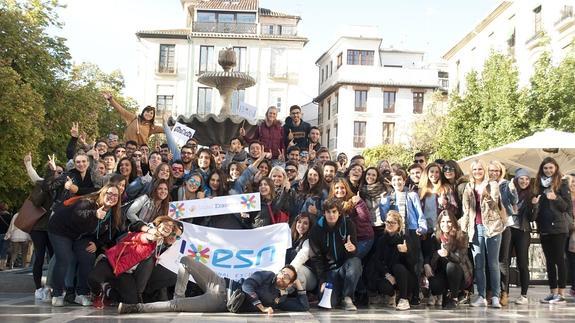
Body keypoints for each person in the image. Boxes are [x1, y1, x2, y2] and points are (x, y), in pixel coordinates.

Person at [118, 259, 308, 314]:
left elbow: (303, 306)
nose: (282, 275)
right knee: (185, 261)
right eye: (283, 272)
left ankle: (135, 308)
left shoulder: (279, 299)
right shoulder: (267, 275)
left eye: (287, 277)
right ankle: (179, 296)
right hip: (221, 283)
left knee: (174, 306)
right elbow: (248, 286)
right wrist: (262, 307)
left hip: (219, 301)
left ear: (289, 283)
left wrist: (299, 286)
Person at [47, 184, 122, 307]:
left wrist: (97, 244)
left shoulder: (114, 214)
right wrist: (95, 214)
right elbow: (76, 215)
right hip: (60, 230)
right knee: (64, 258)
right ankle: (57, 293)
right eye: (109, 193)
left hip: (80, 236)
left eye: (115, 195)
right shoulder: (88, 202)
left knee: (88, 256)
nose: (112, 197)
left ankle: (81, 293)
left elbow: (110, 233)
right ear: (102, 193)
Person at [88, 216, 182, 309]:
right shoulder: (147, 230)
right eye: (166, 224)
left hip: (126, 273)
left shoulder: (162, 246)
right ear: (159, 223)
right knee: (93, 278)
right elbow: (137, 228)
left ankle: (108, 290)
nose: (168, 228)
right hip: (113, 263)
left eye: (175, 234)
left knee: (132, 302)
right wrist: (151, 233)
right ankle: (98, 293)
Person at [460, 159, 506, 308]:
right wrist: (465, 230)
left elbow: (495, 203)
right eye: (474, 170)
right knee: (479, 264)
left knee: (493, 263)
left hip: (492, 227)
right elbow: (466, 210)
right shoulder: (468, 186)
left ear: (484, 170)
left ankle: (495, 296)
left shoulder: (492, 184)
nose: (477, 172)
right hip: (475, 227)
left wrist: (486, 194)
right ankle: (481, 295)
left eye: (480, 169)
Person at [309, 198, 361, 311]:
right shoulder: (316, 229)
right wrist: (322, 280)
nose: (331, 215)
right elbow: (315, 257)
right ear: (324, 213)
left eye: (334, 211)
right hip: (329, 272)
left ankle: (347, 297)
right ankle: (337, 296)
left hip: (344, 267)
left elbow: (355, 252)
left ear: (339, 213)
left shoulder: (348, 224)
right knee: (328, 303)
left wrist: (352, 249)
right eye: (328, 212)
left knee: (356, 262)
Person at [533, 157, 573, 304]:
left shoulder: (562, 183)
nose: (548, 170)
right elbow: (537, 206)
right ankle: (552, 292)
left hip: (558, 228)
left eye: (551, 168)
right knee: (549, 262)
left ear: (555, 168)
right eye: (545, 168)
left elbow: (567, 207)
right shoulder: (538, 185)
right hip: (544, 228)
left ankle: (561, 294)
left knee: (559, 260)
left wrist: (555, 198)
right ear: (541, 170)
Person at [367, 210, 418, 311]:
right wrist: (387, 274)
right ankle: (392, 295)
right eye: (388, 222)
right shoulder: (382, 240)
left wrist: (406, 252)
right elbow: (377, 260)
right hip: (390, 276)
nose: (390, 225)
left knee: (398, 267)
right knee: (383, 286)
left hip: (406, 277)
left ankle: (404, 299)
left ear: (399, 225)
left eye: (393, 222)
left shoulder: (405, 238)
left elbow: (413, 263)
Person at [487, 160, 518, 306]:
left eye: (497, 171)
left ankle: (504, 293)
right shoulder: (485, 185)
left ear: (501, 172)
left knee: (502, 260)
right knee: (490, 261)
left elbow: (513, 201)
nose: (494, 173)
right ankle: (491, 292)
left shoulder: (505, 184)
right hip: (490, 225)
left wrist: (512, 190)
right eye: (491, 170)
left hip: (504, 225)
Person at [507, 168, 536, 305]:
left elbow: (531, 218)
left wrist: (534, 206)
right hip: (507, 230)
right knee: (504, 263)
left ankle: (523, 295)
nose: (524, 181)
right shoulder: (509, 192)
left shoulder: (531, 196)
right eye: (521, 179)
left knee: (523, 263)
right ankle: (504, 293)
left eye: (527, 179)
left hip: (522, 231)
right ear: (516, 180)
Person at [287, 214, 317, 291]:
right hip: (290, 273)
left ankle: (301, 297)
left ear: (310, 226)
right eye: (299, 222)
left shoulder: (310, 240)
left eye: (305, 223)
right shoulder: (289, 238)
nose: (301, 225)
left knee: (298, 270)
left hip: (309, 277)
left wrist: (288, 271)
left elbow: (302, 256)